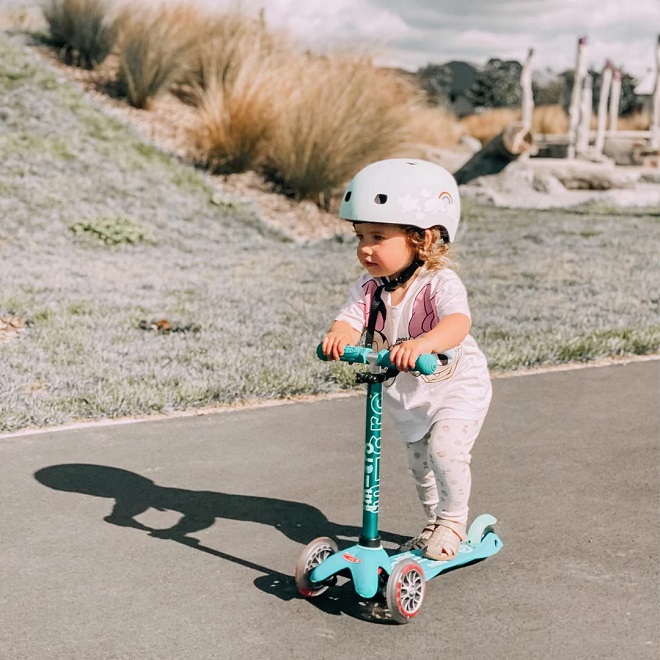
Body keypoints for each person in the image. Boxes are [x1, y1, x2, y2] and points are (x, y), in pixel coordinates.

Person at [321, 158, 492, 561]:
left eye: (378, 236)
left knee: (446, 452)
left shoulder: (438, 283)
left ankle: (453, 521)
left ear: (423, 239)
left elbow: (458, 323)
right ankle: (433, 520)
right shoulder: (368, 288)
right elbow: (347, 321)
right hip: (409, 392)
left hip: (456, 386)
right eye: (360, 235)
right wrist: (338, 337)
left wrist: (424, 344)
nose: (365, 248)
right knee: (420, 464)